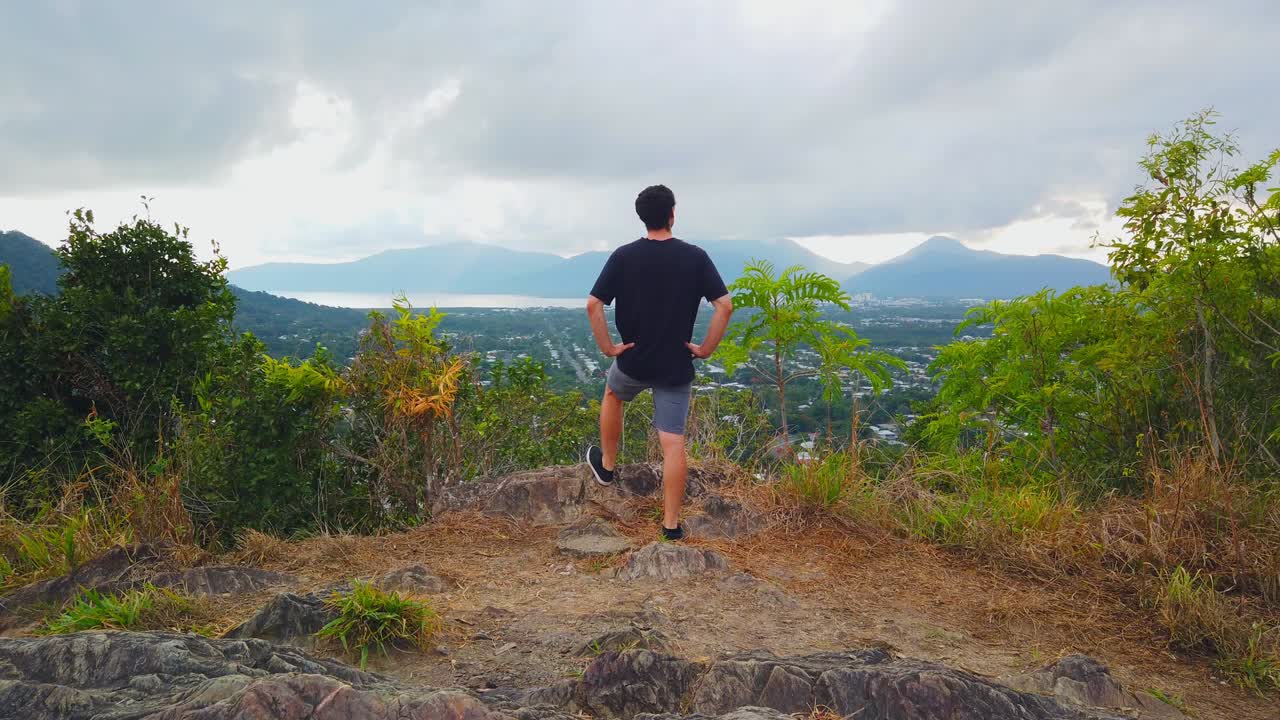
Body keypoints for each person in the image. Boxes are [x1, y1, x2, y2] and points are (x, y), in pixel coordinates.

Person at [585, 184, 733, 541]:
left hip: (633, 360)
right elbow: (724, 306)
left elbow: (593, 304)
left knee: (612, 395)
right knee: (673, 443)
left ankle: (606, 466)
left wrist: (609, 348)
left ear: (642, 217)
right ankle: (670, 525)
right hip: (675, 364)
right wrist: (706, 349)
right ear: (672, 215)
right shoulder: (695, 257)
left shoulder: (623, 256)